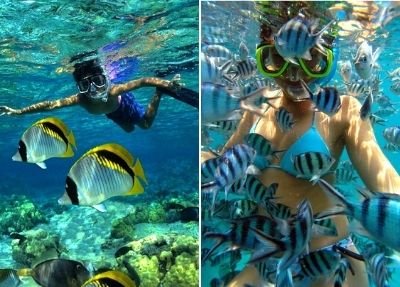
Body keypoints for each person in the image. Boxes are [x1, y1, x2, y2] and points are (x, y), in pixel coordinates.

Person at [202, 2, 400, 287]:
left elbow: (385, 179)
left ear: (329, 54)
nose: (294, 73)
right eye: (275, 59)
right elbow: (221, 162)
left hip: (332, 260)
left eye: (313, 60)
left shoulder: (345, 109)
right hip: (268, 259)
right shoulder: (255, 106)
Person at [0, 51, 198, 133]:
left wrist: (166, 85)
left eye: (98, 81)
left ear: (106, 79)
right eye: (86, 85)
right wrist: (18, 111)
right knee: (129, 130)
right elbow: (50, 105)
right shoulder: (81, 99)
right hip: (111, 113)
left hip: (123, 104)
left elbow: (143, 80)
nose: (93, 90)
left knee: (145, 125)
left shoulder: (113, 91)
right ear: (80, 87)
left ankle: (159, 94)